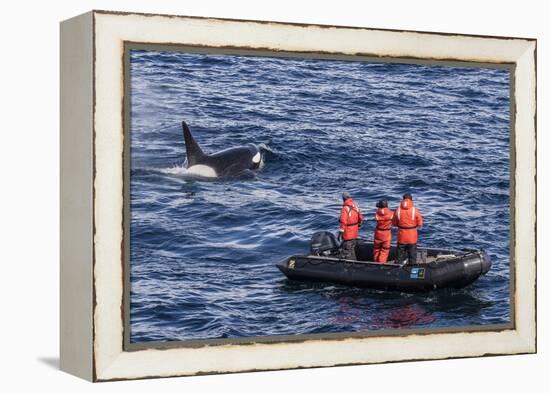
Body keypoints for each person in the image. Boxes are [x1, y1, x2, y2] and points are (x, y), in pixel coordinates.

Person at [392, 193, 423, 265]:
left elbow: (394, 223)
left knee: (399, 254)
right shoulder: (414, 210)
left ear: (403, 200)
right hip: (412, 236)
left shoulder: (398, 210)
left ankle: (397, 269)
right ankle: (412, 268)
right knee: (412, 254)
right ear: (411, 200)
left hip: (401, 235)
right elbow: (420, 223)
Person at [338, 192, 363, 260]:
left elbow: (343, 222)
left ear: (343, 199)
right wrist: (358, 225)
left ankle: (347, 266)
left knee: (346, 250)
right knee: (352, 249)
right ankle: (354, 262)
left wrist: (340, 233)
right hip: (355, 232)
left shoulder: (345, 208)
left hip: (348, 233)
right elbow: (360, 218)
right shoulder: (355, 206)